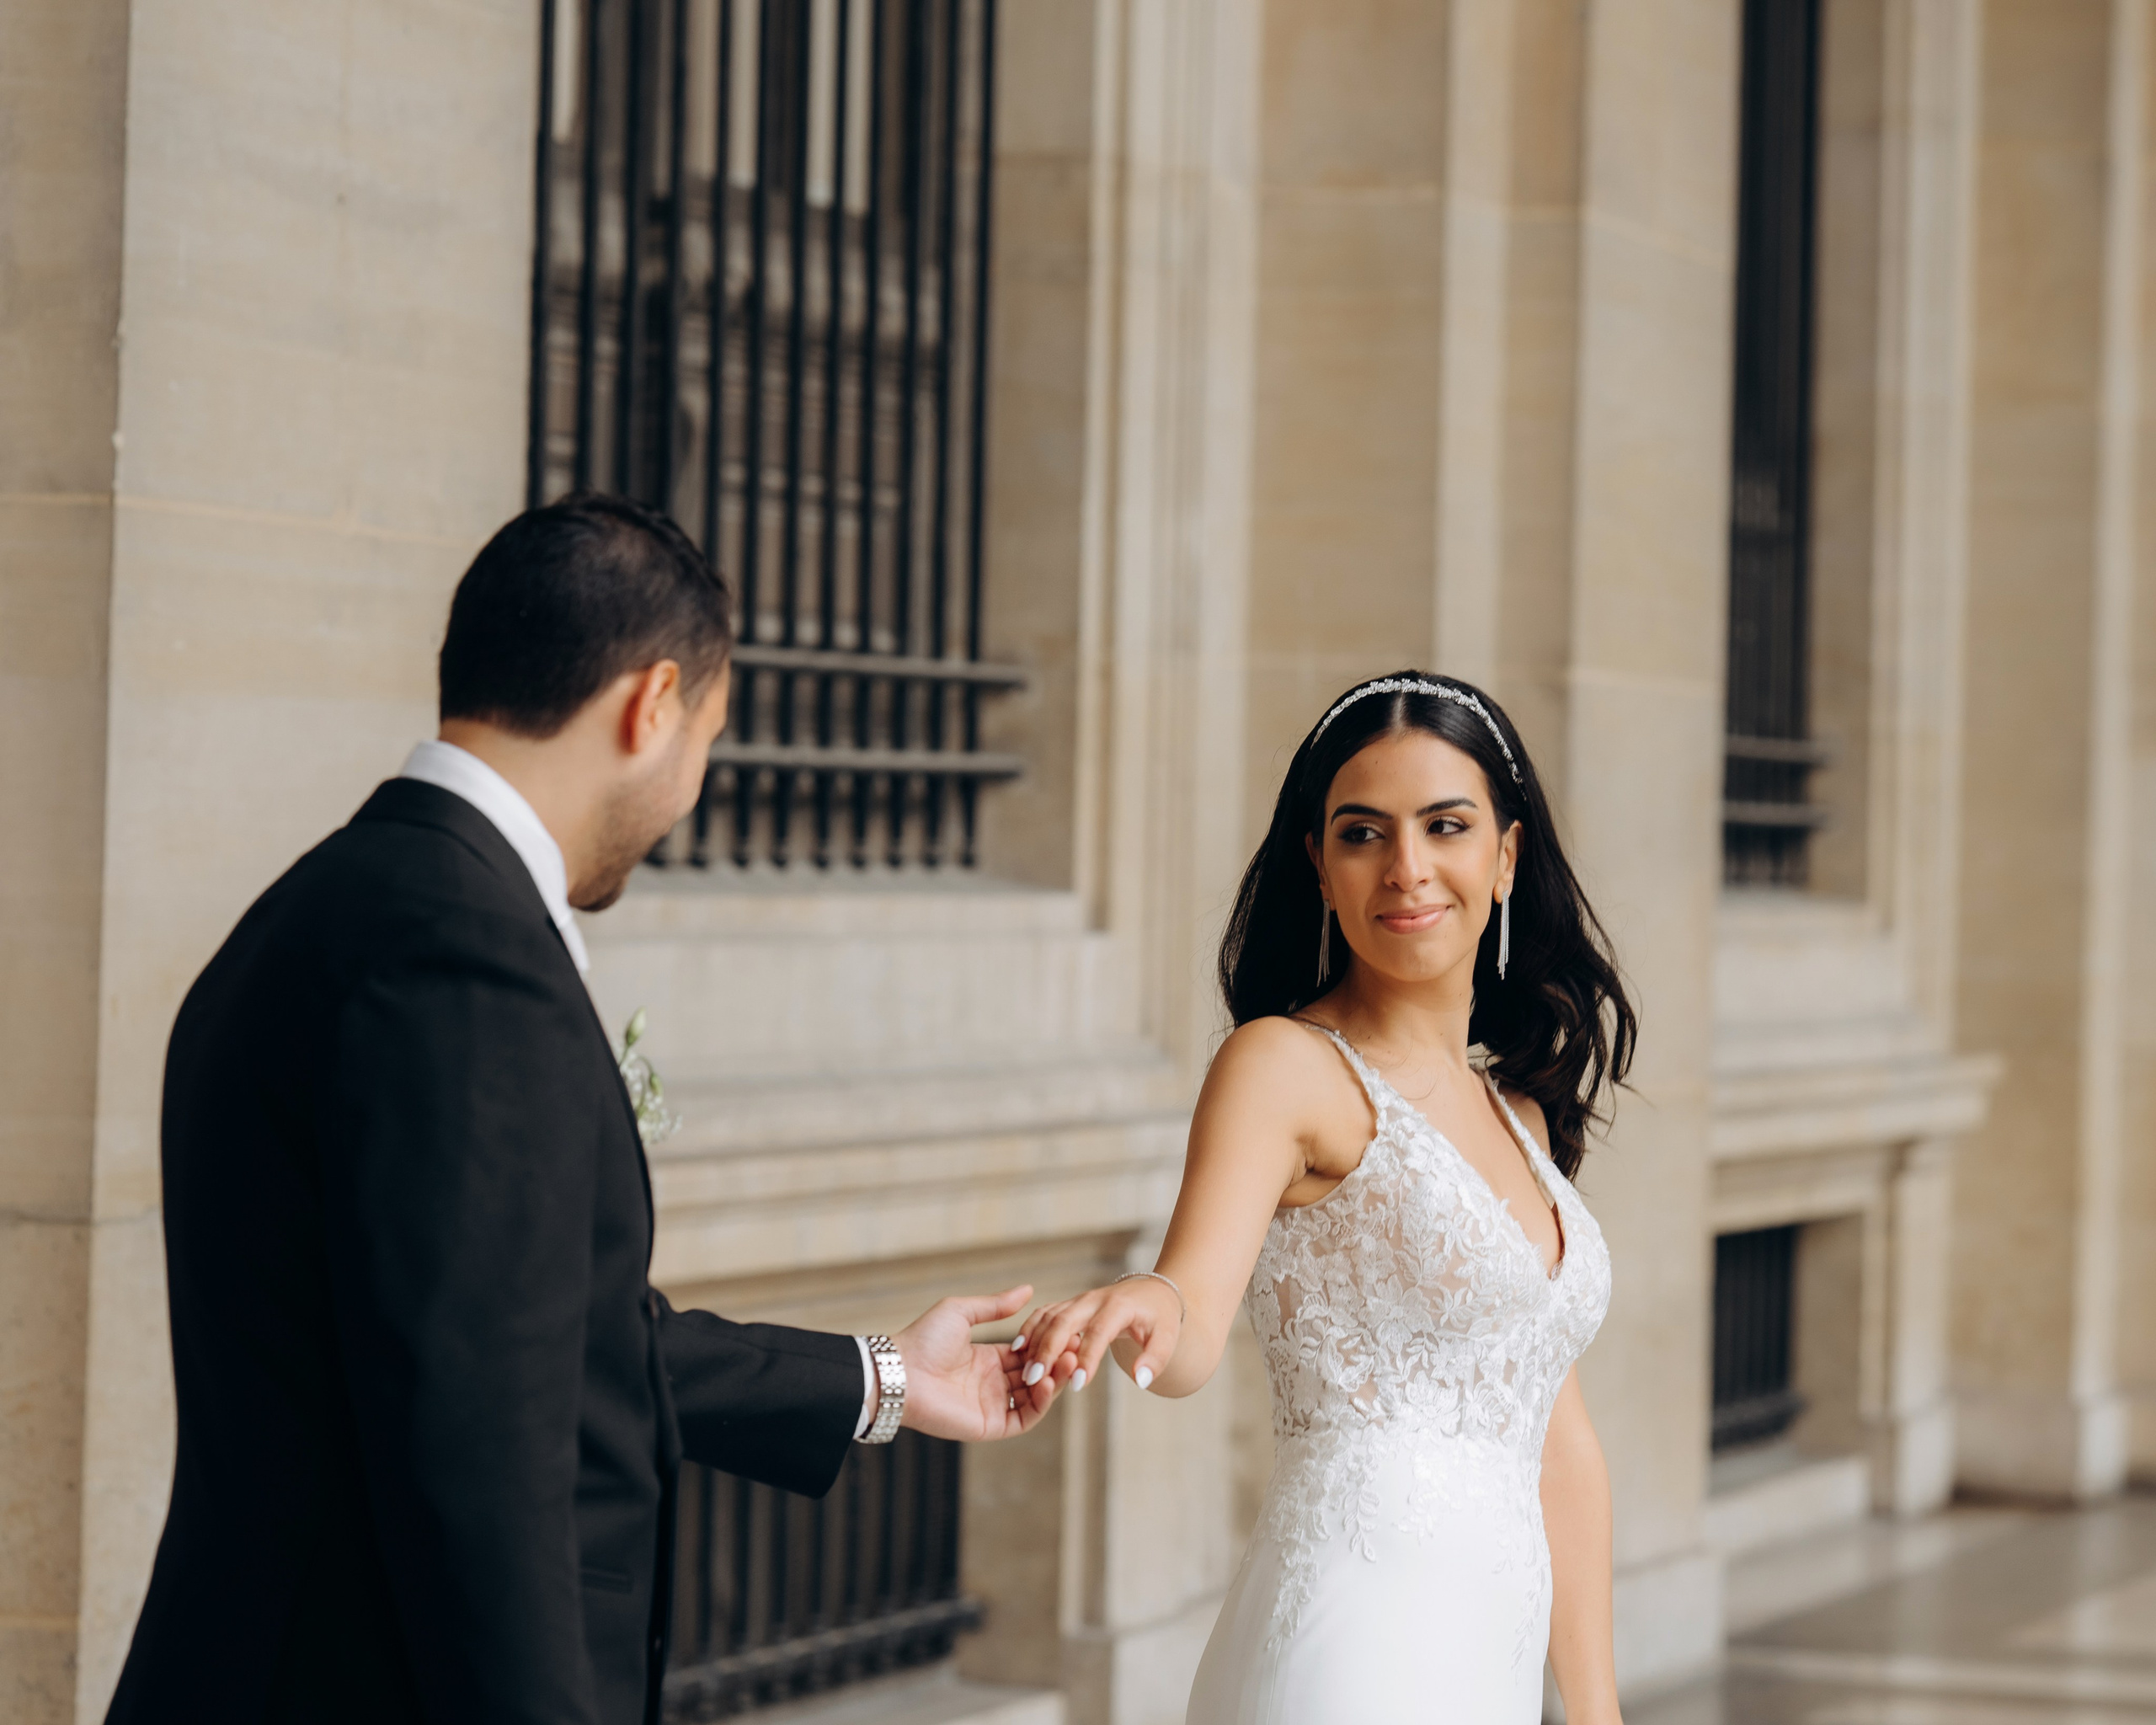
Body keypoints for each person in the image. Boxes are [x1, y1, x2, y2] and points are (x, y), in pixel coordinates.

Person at [105, 494, 1070, 1725]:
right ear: (650, 704)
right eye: (708, 740)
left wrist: (883, 1381)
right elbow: (481, 1473)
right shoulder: (466, 963)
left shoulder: (330, 905)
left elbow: (536, 1338)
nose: (690, 792)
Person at [1016, 673, 1636, 1724]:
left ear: (1506, 855)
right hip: (1352, 1647)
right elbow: (1192, 1314)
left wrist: (1595, 1709)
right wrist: (1144, 1301)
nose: (1406, 868)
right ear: (1320, 862)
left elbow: (1558, 1444)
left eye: (1445, 825)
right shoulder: (1286, 1065)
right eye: (1362, 832)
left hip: (1487, 1654)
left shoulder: (1522, 1118)